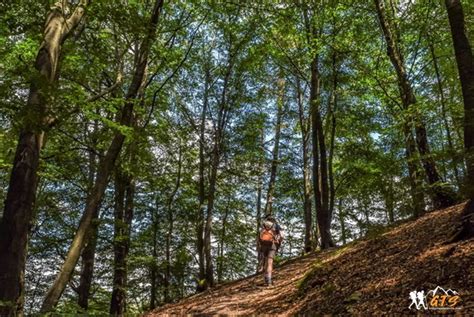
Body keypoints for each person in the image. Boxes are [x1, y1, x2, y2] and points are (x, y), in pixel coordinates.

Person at [257, 214, 283, 286]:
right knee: (270, 262)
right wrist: (279, 242)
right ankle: (269, 280)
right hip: (272, 245)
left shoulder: (263, 225)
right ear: (273, 220)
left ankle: (265, 278)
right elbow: (282, 236)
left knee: (265, 261)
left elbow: (259, 236)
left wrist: (259, 246)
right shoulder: (276, 225)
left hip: (263, 245)